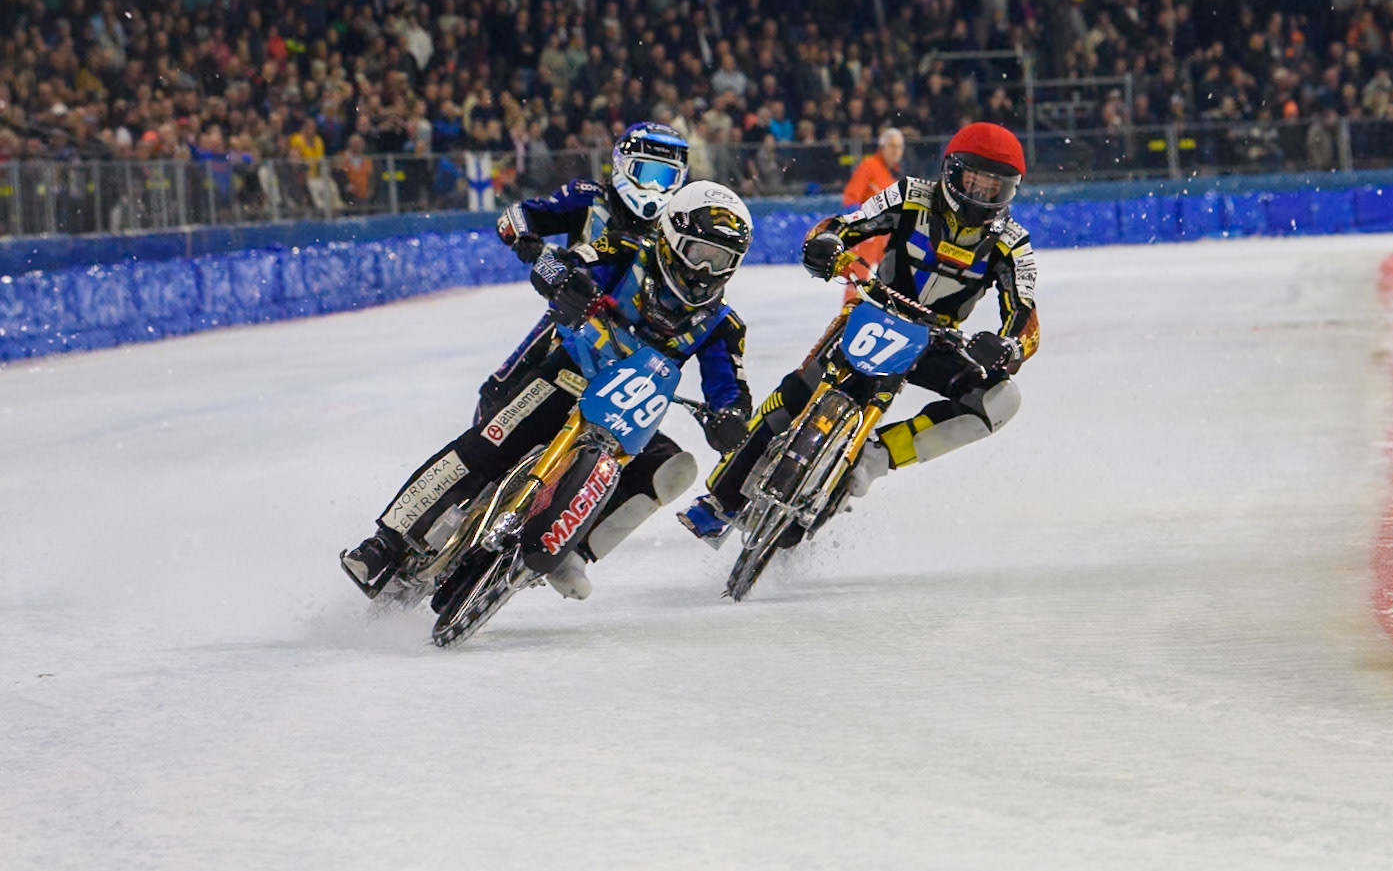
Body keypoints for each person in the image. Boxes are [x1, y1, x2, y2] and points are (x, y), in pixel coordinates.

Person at [341, 181, 756, 600]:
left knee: (674, 469)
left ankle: (575, 550)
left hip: (626, 415)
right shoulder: (625, 250)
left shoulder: (723, 324)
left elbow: (730, 387)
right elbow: (563, 264)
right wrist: (565, 283)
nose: (705, 271)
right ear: (670, 238)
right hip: (568, 375)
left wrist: (731, 417)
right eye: (699, 254)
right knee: (489, 444)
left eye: (721, 260)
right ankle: (386, 541)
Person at [678, 122, 1039, 546]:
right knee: (798, 391)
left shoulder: (1013, 243)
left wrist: (1007, 346)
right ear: (951, 172)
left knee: (1000, 399)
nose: (981, 194)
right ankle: (720, 499)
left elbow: (1025, 317)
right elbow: (845, 224)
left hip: (938, 341)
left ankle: (876, 456)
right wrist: (826, 245)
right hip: (875, 311)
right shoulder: (910, 194)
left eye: (995, 188)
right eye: (974, 181)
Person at [479, 121, 689, 421]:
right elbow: (518, 214)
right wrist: (525, 237)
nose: (655, 187)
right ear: (623, 165)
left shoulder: (674, 229)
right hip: (567, 322)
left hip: (627, 345)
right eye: (647, 174)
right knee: (497, 394)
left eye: (666, 177)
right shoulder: (588, 197)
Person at [838, 126, 904, 297]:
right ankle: (851, 312)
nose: (896, 151)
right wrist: (859, 223)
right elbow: (851, 197)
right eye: (892, 146)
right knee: (857, 278)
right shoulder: (869, 166)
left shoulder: (891, 173)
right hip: (867, 234)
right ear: (882, 147)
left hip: (884, 234)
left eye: (899, 147)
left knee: (893, 279)